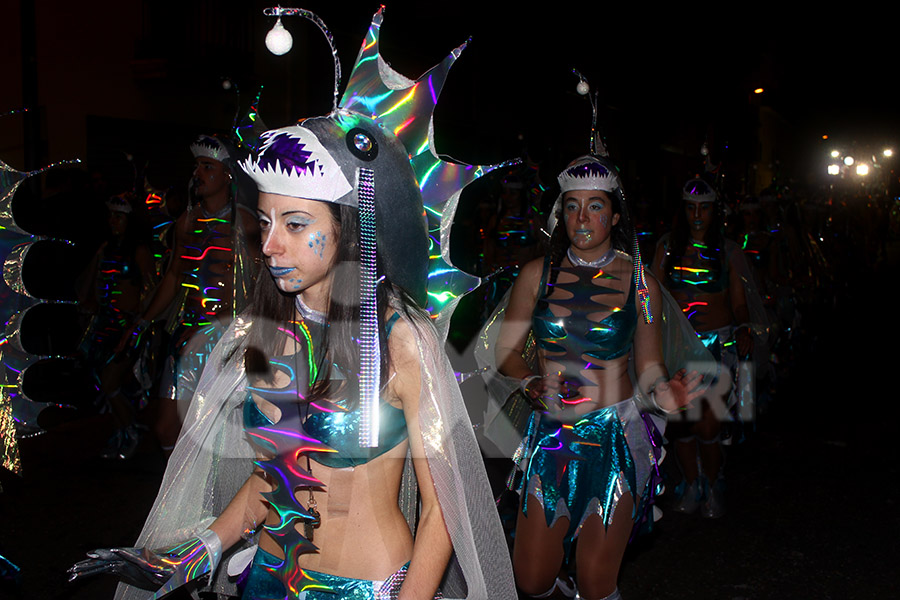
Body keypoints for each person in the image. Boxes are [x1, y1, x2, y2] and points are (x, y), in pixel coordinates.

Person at [70, 9, 515, 600]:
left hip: (370, 587)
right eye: (264, 221)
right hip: (267, 583)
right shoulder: (260, 333)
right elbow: (269, 482)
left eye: (295, 222)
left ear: (348, 226)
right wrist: (189, 556)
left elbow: (443, 511)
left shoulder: (402, 339)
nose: (270, 243)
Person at [492, 156, 705, 600]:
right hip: (550, 439)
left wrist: (668, 396)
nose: (582, 218)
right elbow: (507, 354)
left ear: (613, 215)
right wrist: (530, 382)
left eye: (594, 206)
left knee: (596, 582)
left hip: (614, 440)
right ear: (560, 212)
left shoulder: (642, 283)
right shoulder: (535, 276)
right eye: (572, 206)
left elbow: (648, 367)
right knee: (530, 580)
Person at [119, 134, 258, 453]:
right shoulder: (186, 222)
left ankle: (212, 500)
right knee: (166, 429)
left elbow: (260, 285)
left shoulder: (245, 224)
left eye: (207, 166)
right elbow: (173, 277)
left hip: (228, 342)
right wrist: (141, 323)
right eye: (196, 166)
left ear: (227, 174)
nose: (197, 173)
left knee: (217, 436)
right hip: (185, 338)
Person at [651, 178, 765, 518]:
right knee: (683, 423)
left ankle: (714, 483)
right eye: (690, 207)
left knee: (709, 425)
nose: (697, 214)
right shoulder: (668, 247)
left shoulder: (729, 250)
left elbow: (739, 304)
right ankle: (692, 482)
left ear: (715, 211)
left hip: (716, 347)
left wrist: (744, 328)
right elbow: (650, 294)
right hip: (677, 349)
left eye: (704, 207)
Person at [77, 193, 156, 459]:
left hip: (128, 328)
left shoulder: (140, 251)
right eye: (111, 216)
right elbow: (85, 289)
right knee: (105, 383)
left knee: (111, 382)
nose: (113, 221)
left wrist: (139, 327)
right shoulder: (105, 248)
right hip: (104, 325)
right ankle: (123, 429)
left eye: (119, 217)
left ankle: (130, 431)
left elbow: (150, 291)